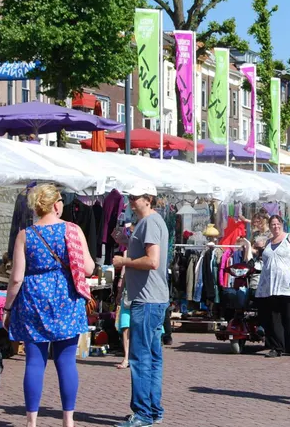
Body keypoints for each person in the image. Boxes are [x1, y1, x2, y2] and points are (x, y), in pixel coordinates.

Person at [3, 183, 94, 427]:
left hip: (34, 299)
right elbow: (88, 268)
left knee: (34, 361)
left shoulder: (26, 234)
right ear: (56, 204)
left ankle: (31, 422)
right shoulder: (72, 230)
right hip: (66, 297)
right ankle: (68, 420)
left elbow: (16, 277)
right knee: (66, 361)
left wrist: (8, 308)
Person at [113, 182, 170, 427]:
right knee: (153, 356)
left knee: (140, 357)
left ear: (148, 199)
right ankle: (153, 409)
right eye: (131, 197)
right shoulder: (149, 223)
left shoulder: (149, 223)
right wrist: (126, 242)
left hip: (147, 300)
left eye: (135, 197)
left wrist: (124, 260)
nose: (131, 201)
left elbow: (152, 261)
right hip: (152, 298)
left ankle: (143, 413)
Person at [256, 215, 290, 358]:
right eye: (273, 224)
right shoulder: (268, 243)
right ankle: (277, 347)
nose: (275, 227)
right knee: (273, 317)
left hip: (288, 284)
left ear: (282, 225)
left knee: (289, 317)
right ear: (269, 226)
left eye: (278, 224)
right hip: (269, 286)